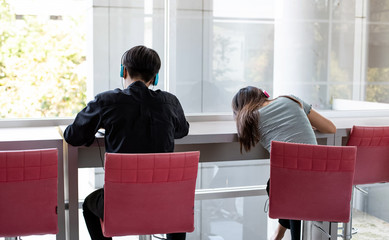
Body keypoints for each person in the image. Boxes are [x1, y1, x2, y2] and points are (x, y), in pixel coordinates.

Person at [64, 45, 190, 240]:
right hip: (162, 199)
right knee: (174, 203)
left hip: (122, 199)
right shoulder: (170, 102)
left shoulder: (106, 100)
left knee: (90, 204)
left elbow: (73, 136)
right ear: (155, 77)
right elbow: (182, 130)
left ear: (123, 71)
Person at [231, 86, 336, 240]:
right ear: (263, 95)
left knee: (282, 186)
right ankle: (279, 233)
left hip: (291, 184)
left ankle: (280, 234)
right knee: (289, 185)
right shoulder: (290, 99)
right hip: (320, 176)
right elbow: (330, 128)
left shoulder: (250, 119)